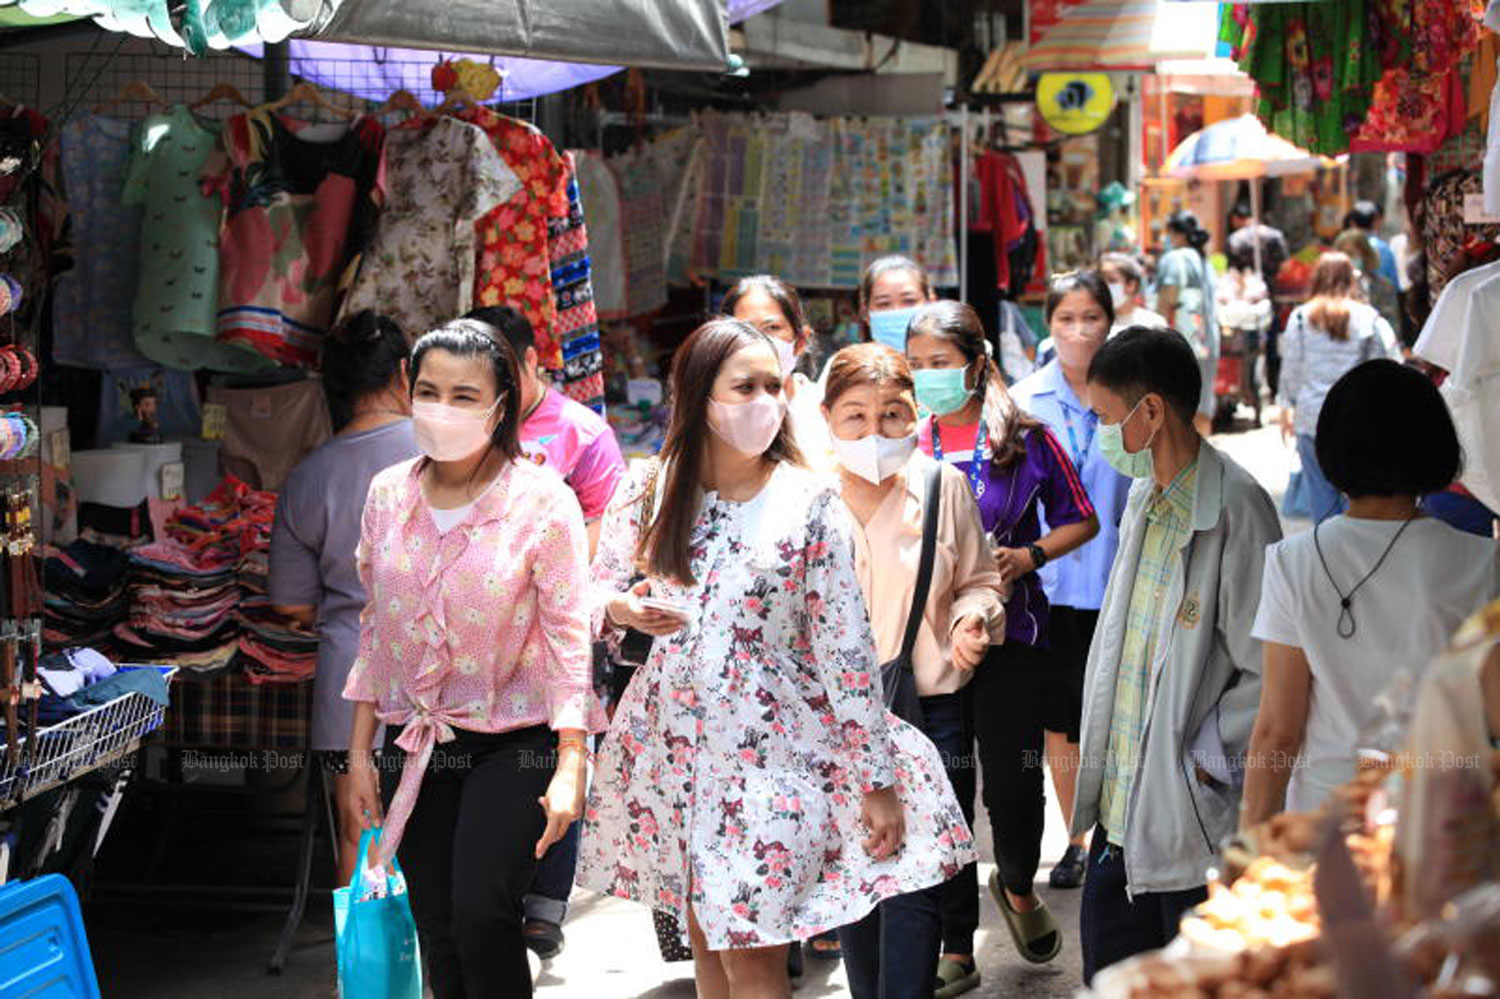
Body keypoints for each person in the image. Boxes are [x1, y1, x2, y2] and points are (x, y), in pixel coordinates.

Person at [578, 318, 973, 999]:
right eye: (745, 385)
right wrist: (622, 609)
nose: (765, 398)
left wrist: (876, 778)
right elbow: (589, 596)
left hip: (775, 754)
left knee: (755, 953)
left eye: (774, 383)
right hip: (674, 753)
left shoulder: (807, 499)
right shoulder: (650, 488)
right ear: (701, 394)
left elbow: (844, 647)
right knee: (706, 937)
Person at [341, 319, 608, 999]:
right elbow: (376, 630)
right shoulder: (387, 495)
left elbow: (568, 635)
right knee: (437, 923)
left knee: (483, 913)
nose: (442, 408)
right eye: (429, 390)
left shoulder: (542, 499)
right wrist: (359, 755)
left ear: (502, 406)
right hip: (418, 739)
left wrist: (573, 759)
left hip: (516, 742)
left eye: (464, 395)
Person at [1073, 327, 1282, 984]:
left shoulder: (1239, 508)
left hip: (1189, 823)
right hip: (1117, 815)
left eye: (1107, 417)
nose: (1100, 434)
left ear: (1152, 411)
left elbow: (1266, 671)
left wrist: (1203, 762)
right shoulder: (1144, 496)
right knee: (1111, 978)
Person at [906, 301, 1099, 986]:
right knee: (946, 792)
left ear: (977, 361)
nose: (927, 377)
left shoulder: (1025, 437)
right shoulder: (902, 439)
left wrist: (1031, 555)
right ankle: (956, 944)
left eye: (941, 363)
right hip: (928, 645)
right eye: (918, 364)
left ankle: (1016, 883)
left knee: (1014, 786)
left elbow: (1083, 517)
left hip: (1013, 635)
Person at [821, 342, 1007, 999]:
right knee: (855, 875)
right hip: (831, 723)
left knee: (915, 881)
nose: (876, 432)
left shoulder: (942, 485)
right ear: (826, 417)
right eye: (856, 416)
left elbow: (980, 580)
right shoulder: (806, 497)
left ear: (915, 414)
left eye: (893, 415)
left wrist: (971, 618)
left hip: (930, 715)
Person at [1243, 360, 1500, 823]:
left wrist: (1246, 852)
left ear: (1333, 451)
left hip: (1328, 825)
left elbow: (1278, 732)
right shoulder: (1483, 562)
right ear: (1435, 446)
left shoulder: (1291, 562)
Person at [460, 305, 625, 959]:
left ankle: (543, 907)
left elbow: (603, 536)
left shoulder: (583, 434)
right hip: (472, 640)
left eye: (501, 366)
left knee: (558, 757)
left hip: (557, 631)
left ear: (532, 363)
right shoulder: (462, 426)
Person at [270, 311, 419, 886]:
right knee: (438, 822)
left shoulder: (309, 475)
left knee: (360, 831)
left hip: (347, 669)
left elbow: (293, 605)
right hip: (441, 665)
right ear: (406, 374)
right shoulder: (442, 453)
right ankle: (440, 963)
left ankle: (362, 972)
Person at [1011, 273, 1132, 892]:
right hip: (1051, 589)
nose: (1080, 331)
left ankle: (1116, 831)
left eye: (1092, 317)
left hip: (1122, 584)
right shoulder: (1025, 401)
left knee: (1116, 714)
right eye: (1066, 319)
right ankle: (1077, 838)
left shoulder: (1134, 398)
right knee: (1060, 723)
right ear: (1048, 326)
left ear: (1110, 322)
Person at [464, 305, 625, 558]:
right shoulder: (461, 421)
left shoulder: (584, 434)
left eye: (499, 376)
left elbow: (608, 522)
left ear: (529, 359)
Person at [1278, 252, 1400, 524]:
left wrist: (1286, 408)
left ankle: (1326, 555)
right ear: (1351, 278)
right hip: (1358, 419)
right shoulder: (1369, 317)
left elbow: (1292, 369)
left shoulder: (1300, 318)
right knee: (1358, 495)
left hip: (1311, 418)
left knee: (1320, 497)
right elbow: (1386, 365)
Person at [724, 274, 833, 470]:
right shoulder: (717, 412)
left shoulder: (826, 412)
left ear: (800, 341)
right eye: (745, 329)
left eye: (772, 328)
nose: (759, 340)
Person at [1155, 210, 1219, 436]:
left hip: (1180, 341)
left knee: (1175, 403)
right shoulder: (1203, 260)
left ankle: (1183, 465)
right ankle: (1203, 462)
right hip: (1206, 340)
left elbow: (1168, 298)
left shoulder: (1176, 259)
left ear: (1175, 233)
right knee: (1202, 402)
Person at [859, 255, 937, 354]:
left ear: (930, 303)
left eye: (909, 301)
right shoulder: (848, 368)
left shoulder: (952, 364)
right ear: (866, 313)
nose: (897, 311)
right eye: (884, 304)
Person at [1099, 253, 1165, 335]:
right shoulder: (1095, 324)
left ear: (1131, 285)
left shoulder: (1153, 324)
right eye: (1101, 281)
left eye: (1112, 280)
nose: (1104, 286)